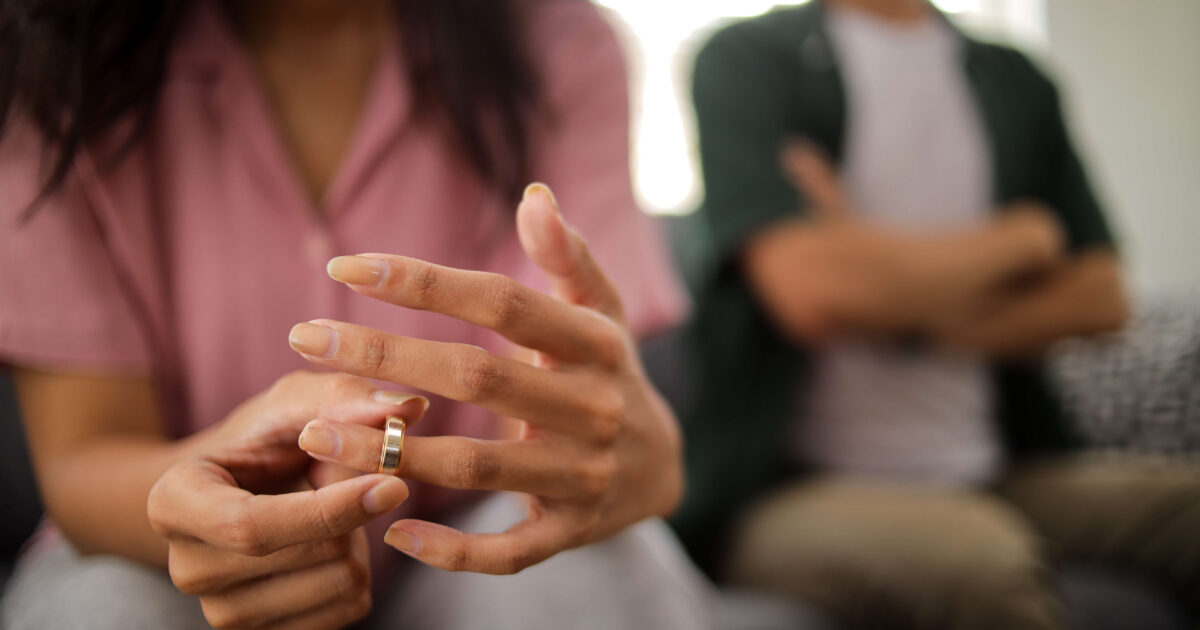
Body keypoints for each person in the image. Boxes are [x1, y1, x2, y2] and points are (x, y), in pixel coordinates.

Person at [0, 1, 713, 628]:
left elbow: (542, 421)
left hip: (451, 555)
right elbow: (82, 456)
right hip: (150, 562)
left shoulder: (555, 39)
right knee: (101, 611)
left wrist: (592, 435)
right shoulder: (46, 68)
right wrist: (211, 497)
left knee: (604, 571)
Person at [673, 0, 1200, 628]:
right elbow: (811, 295)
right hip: (797, 489)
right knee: (978, 565)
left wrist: (871, 273)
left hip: (996, 467)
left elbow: (1099, 298)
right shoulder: (749, 61)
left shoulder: (1015, 80)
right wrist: (1019, 241)